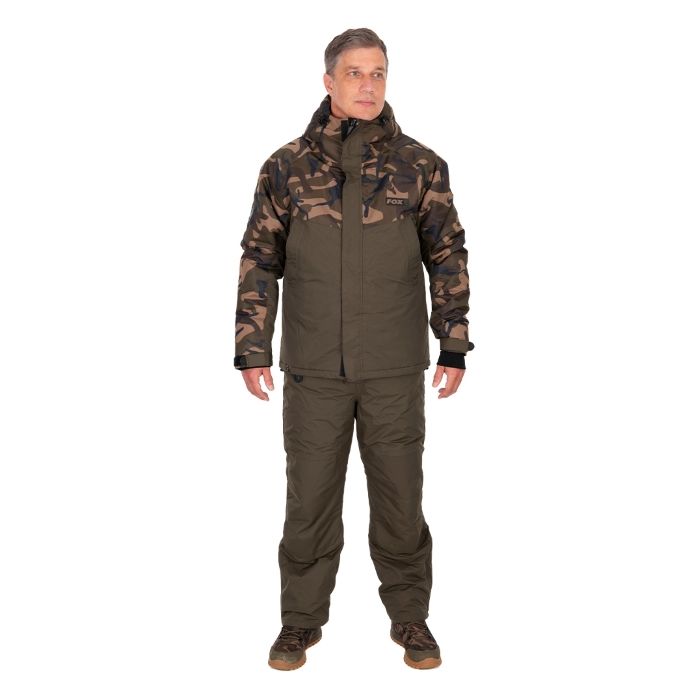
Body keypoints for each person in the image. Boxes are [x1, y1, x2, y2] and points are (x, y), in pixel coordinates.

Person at [234, 27, 474, 671]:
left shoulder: (421, 165)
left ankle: (411, 617)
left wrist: (453, 343)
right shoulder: (285, 166)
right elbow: (260, 259)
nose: (368, 85)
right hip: (313, 369)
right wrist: (253, 348)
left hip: (394, 367)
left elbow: (447, 255)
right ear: (329, 81)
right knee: (309, 501)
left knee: (400, 499)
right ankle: (299, 622)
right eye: (355, 73)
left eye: (378, 73)